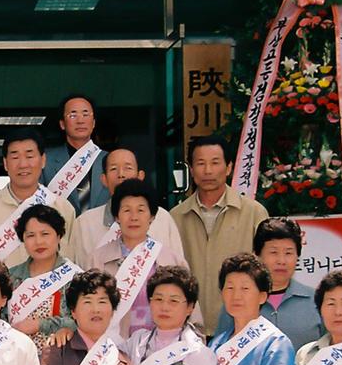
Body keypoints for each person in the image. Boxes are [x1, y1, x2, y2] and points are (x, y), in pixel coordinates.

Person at [169, 135, 269, 336]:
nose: (208, 171)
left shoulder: (253, 213)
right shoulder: (175, 217)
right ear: (191, 168)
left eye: (215, 163)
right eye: (200, 163)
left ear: (229, 167)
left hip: (239, 327)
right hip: (188, 330)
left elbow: (265, 273)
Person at [90, 178, 198, 340]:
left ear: (152, 216)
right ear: (117, 217)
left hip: (162, 352)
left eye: (141, 210)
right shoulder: (98, 260)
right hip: (113, 352)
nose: (134, 217)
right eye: (126, 210)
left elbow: (194, 317)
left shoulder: (172, 260)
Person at [0, 128, 79, 268]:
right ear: (5, 163)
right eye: (15, 157)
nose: (23, 164)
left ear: (43, 160)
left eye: (30, 156)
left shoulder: (62, 208)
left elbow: (73, 263)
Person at [215, 217, 323, 352]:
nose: (281, 260)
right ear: (257, 255)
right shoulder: (237, 301)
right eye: (273, 252)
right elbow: (221, 351)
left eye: (288, 253)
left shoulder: (316, 300)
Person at [71, 144, 184, 269]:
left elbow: (177, 268)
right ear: (103, 179)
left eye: (128, 168)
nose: (121, 174)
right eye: (113, 169)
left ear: (140, 176)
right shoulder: (85, 222)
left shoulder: (162, 217)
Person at [6, 204, 77, 351]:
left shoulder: (74, 277)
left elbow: (84, 321)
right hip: (16, 358)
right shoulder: (10, 277)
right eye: (31, 235)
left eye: (45, 234)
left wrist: (40, 324)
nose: (38, 242)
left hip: (59, 360)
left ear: (58, 236)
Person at [40, 94, 110, 214]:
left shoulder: (109, 159)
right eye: (73, 115)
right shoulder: (46, 160)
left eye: (85, 114)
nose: (80, 120)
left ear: (93, 123)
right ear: (62, 124)